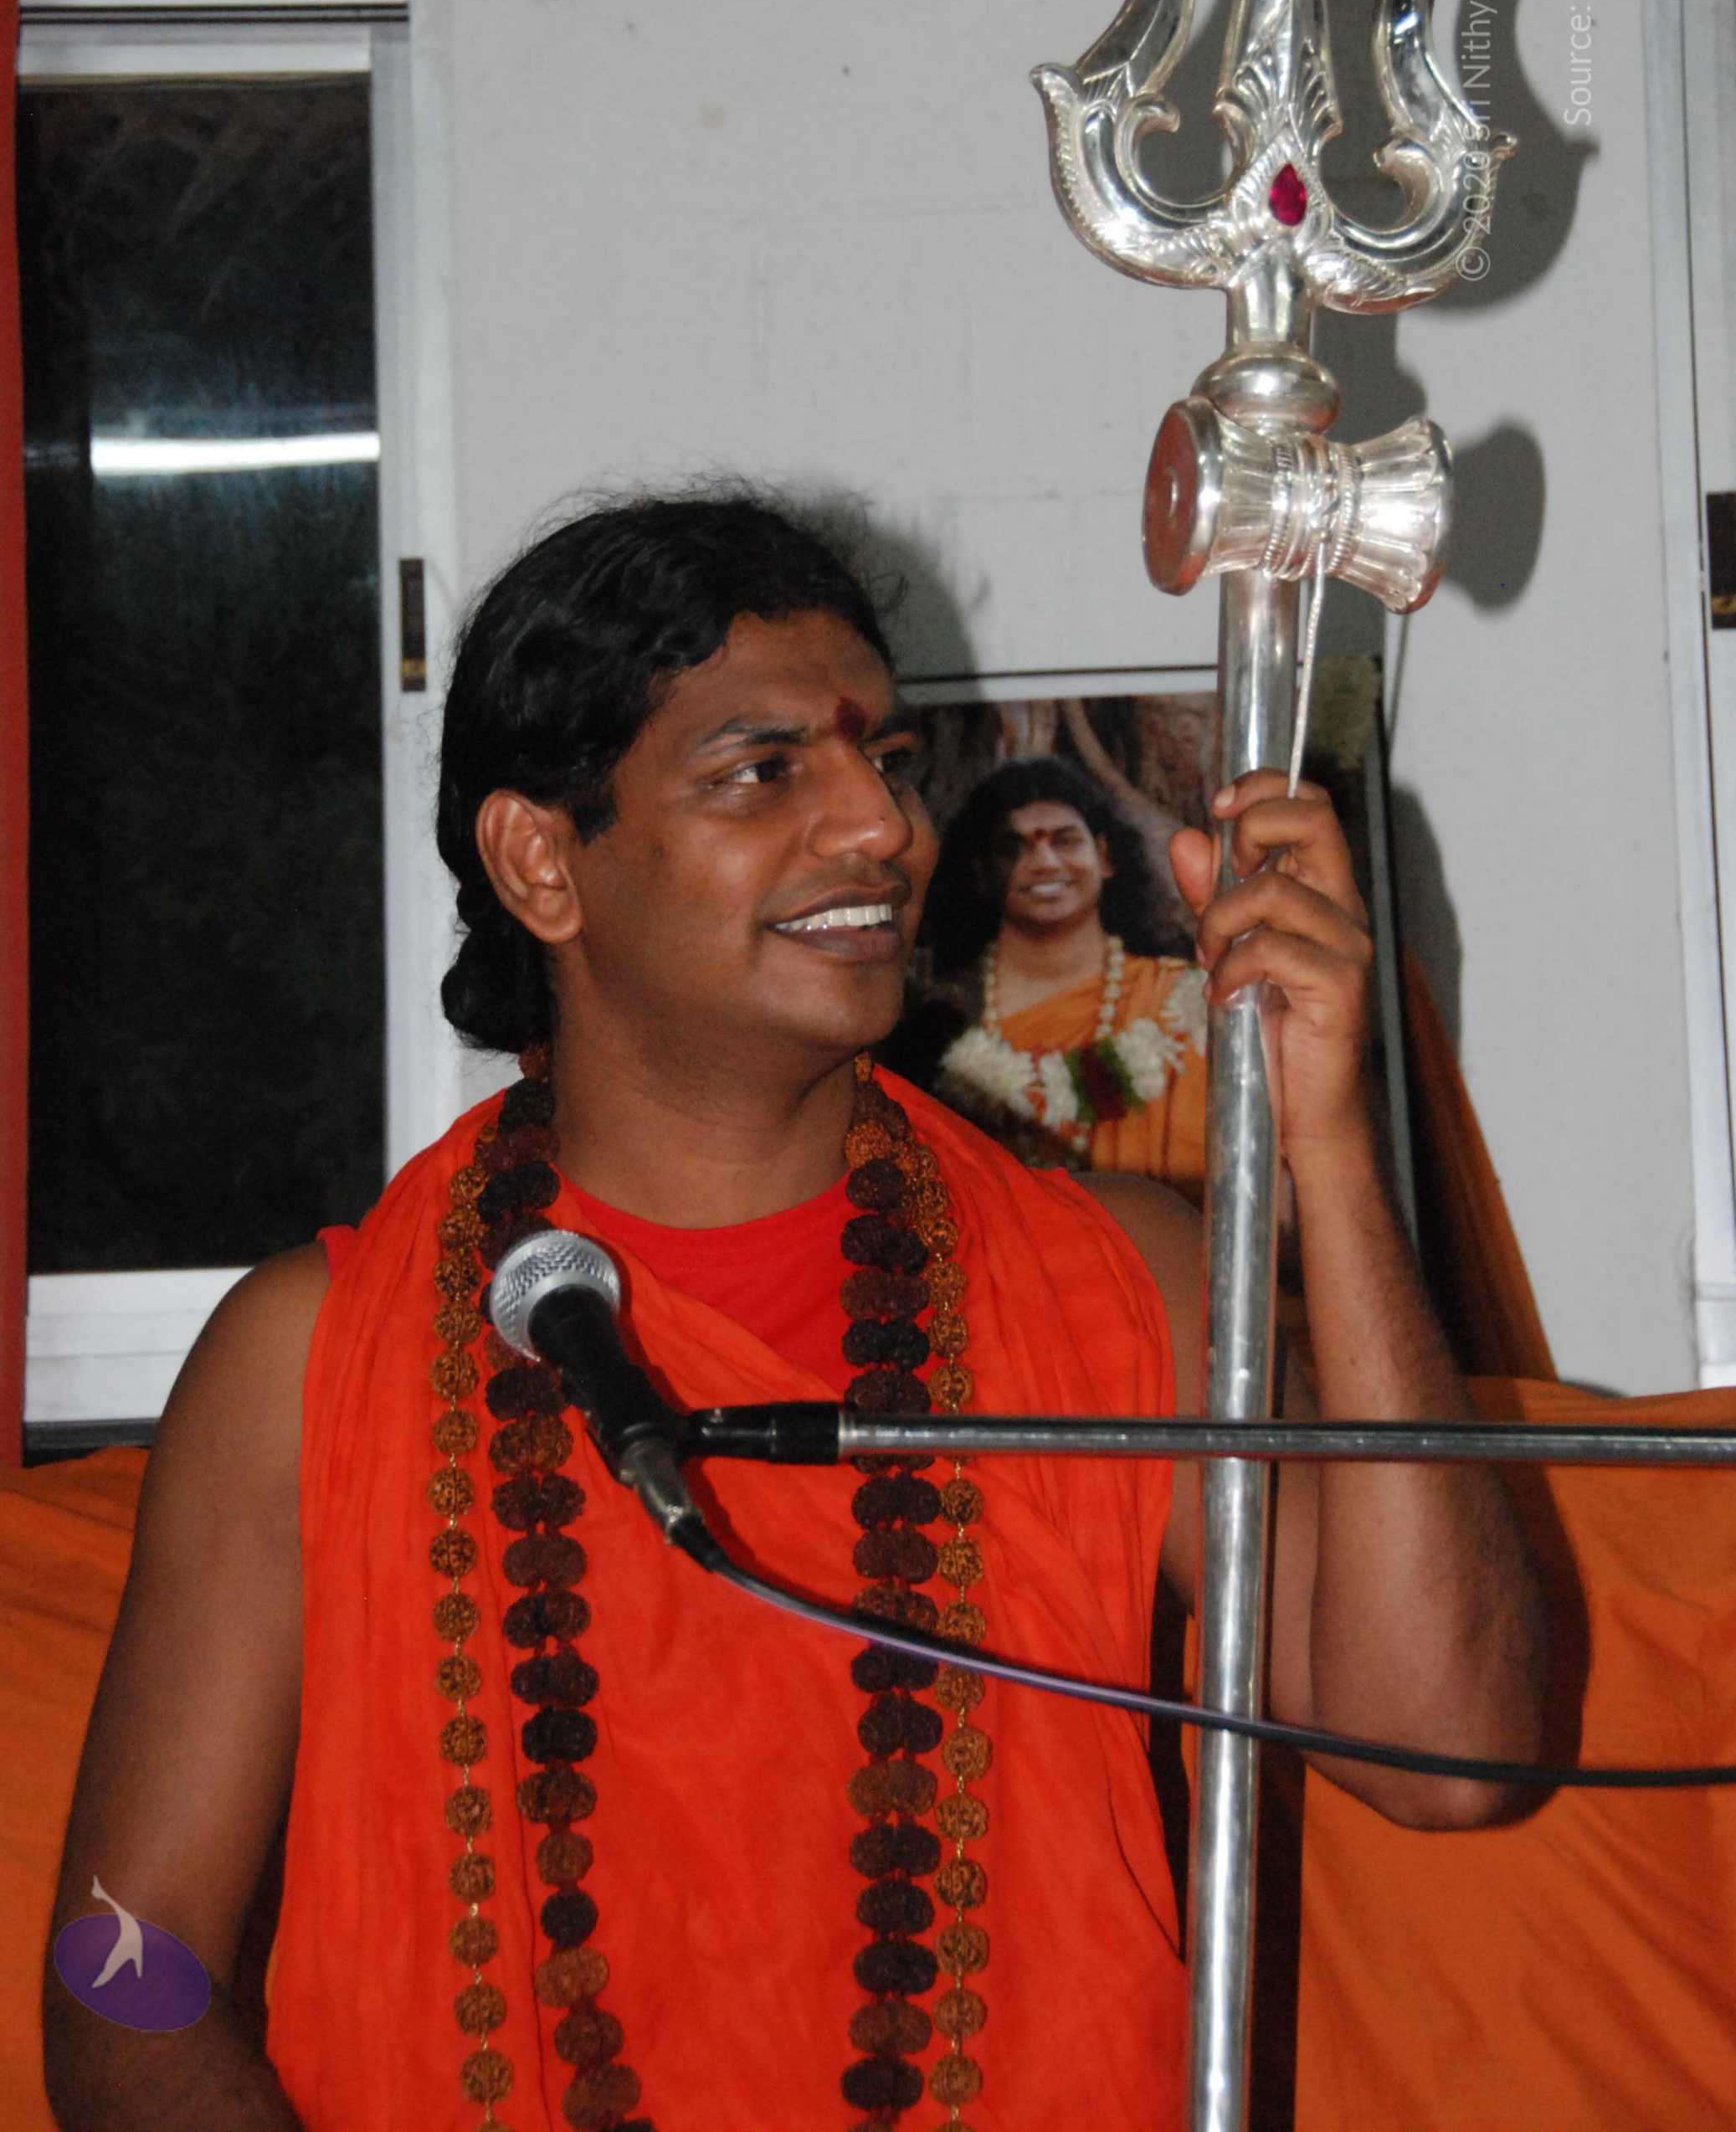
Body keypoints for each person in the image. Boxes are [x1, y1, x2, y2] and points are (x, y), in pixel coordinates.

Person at [42, 491, 1546, 2132]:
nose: (880, 827)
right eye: (762, 771)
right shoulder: (306, 1356)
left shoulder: (1112, 1276)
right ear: (541, 860)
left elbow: (1443, 1751)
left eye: (885, 761)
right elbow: (126, 1963)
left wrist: (1325, 1136)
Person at [912, 756, 1209, 1194]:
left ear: (1104, 857)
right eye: (1013, 848)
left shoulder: (1181, 1002)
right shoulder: (937, 1024)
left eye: (1065, 841)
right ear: (983, 871)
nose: (1045, 862)